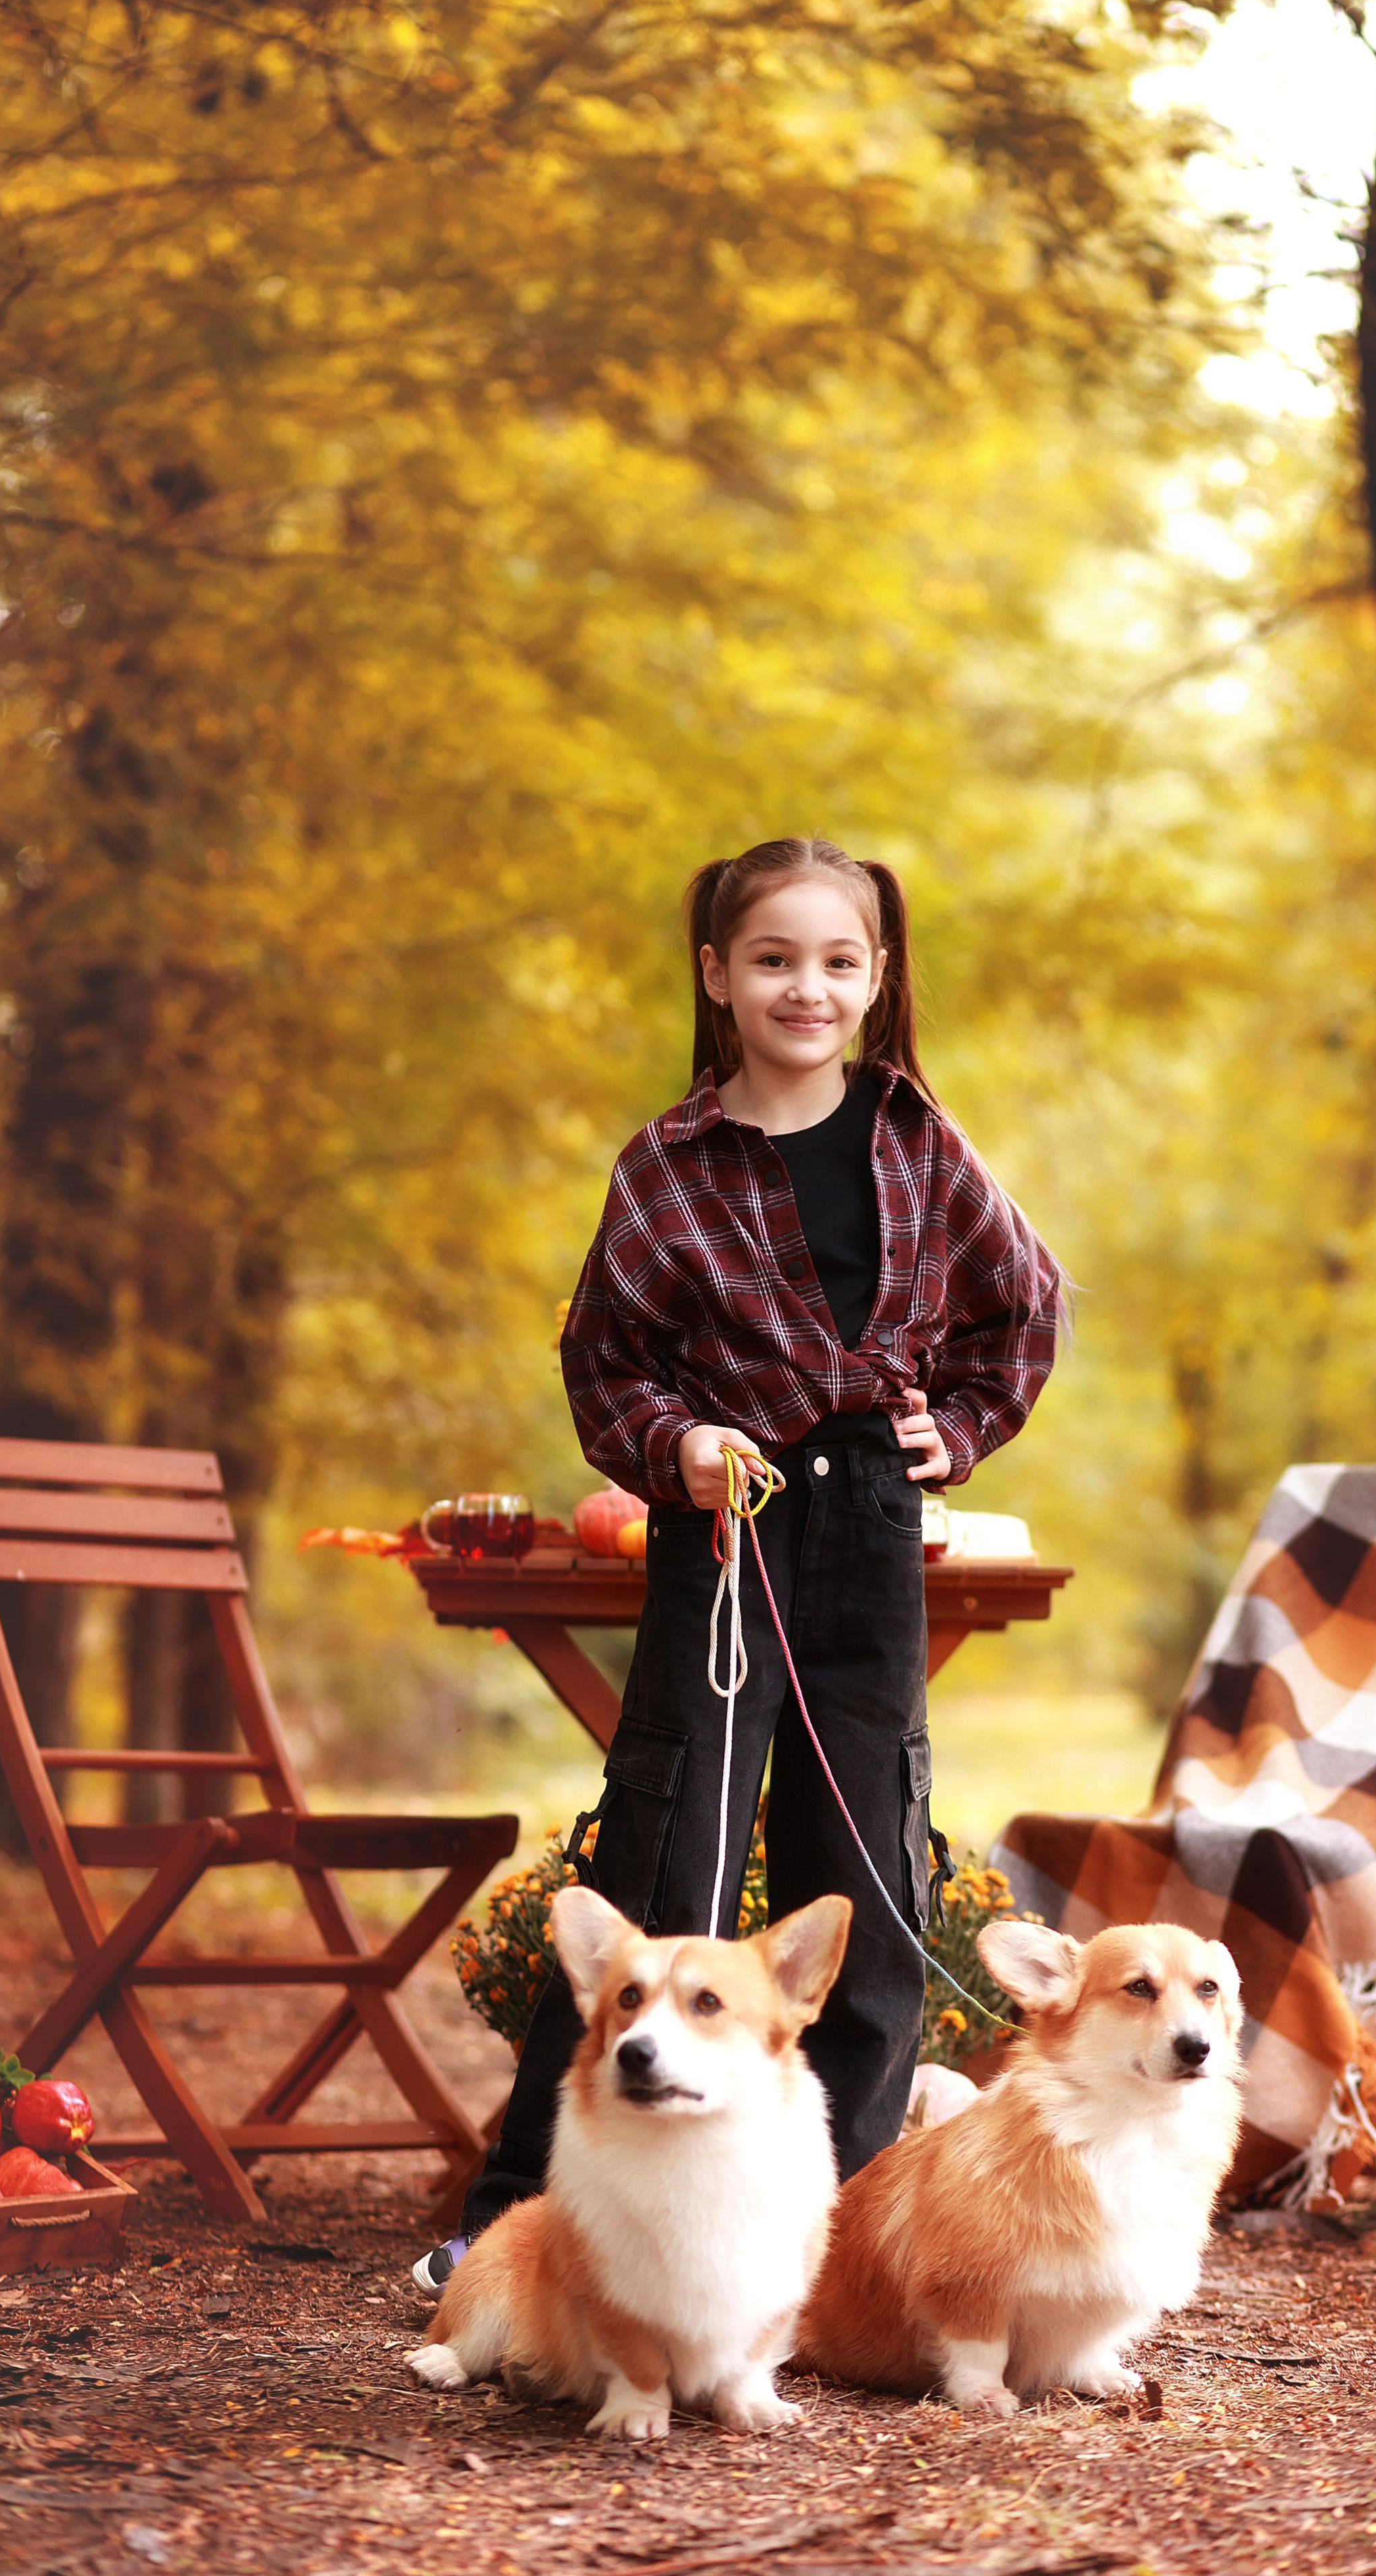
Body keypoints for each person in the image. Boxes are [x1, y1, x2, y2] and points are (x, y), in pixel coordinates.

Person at [414, 834, 1061, 2294]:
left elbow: (1020, 1312)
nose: (806, 987)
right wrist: (678, 1445)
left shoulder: (918, 1140)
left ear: (876, 976)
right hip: (725, 1531)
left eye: (838, 961)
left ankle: (824, 2232)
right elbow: (604, 1365)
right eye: (773, 958)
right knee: (668, 1857)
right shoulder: (667, 1162)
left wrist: (948, 1434)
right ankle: (526, 2213)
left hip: (868, 1533)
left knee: (868, 1881)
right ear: (716, 975)